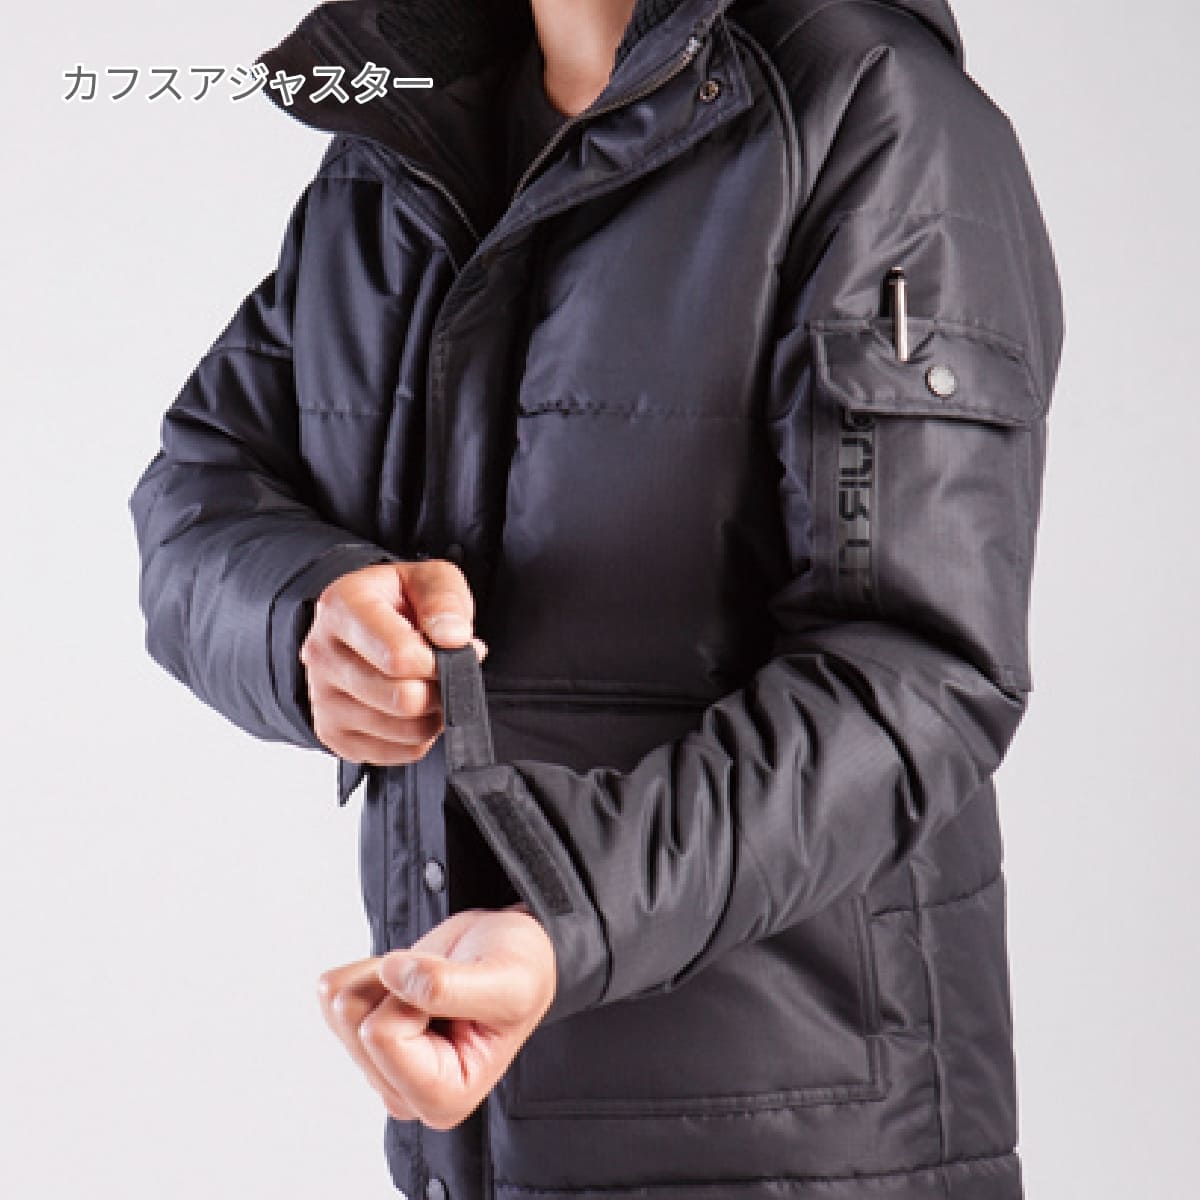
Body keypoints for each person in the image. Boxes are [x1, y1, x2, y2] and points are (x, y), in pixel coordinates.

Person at [128, 0, 1065, 1198]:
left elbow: (918, 674)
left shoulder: (869, 113)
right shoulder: (402, 140)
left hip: (801, 1152)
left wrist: (562, 916)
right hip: (476, 1127)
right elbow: (201, 482)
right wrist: (305, 618)